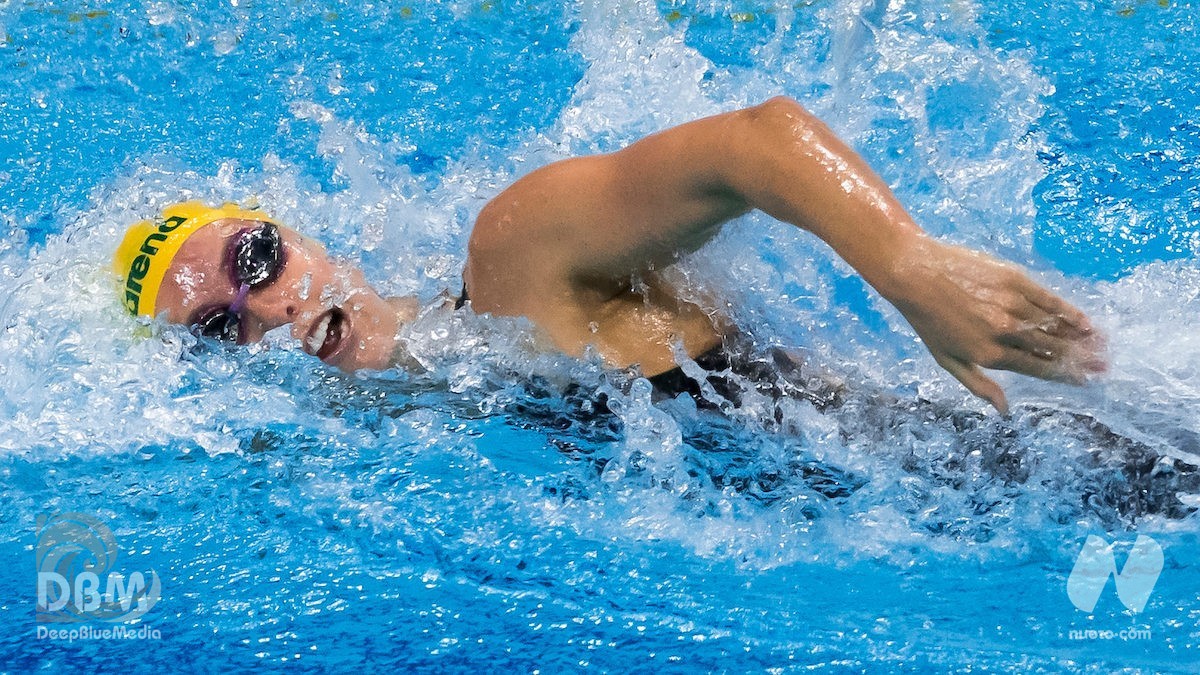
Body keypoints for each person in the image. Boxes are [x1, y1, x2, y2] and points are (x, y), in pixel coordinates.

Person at [112, 96, 1106, 414]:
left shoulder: (511, 264)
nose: (268, 309)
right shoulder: (433, 410)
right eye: (217, 330)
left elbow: (754, 143)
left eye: (255, 262)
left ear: (299, 232)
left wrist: (912, 270)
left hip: (1035, 460)